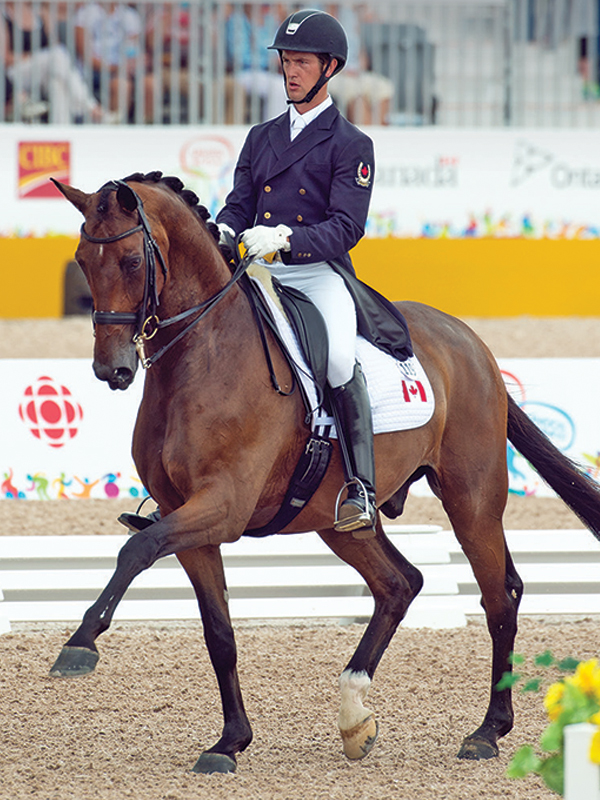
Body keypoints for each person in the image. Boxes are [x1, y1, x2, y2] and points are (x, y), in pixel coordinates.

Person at [216, 9, 390, 533]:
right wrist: (224, 230)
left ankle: (360, 487)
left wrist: (287, 239)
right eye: (287, 62)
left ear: (329, 68)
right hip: (258, 271)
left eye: (302, 63)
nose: (291, 72)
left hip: (316, 272)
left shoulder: (351, 144)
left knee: (337, 359)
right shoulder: (261, 136)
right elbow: (238, 205)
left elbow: (346, 227)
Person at [1, 2, 108, 123]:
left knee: (57, 83)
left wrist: (44, 59)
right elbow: (5, 58)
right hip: (17, 73)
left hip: (46, 70)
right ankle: (90, 106)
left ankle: (61, 129)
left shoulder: (42, 14)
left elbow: (55, 46)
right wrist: (36, 57)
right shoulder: (4, 16)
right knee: (55, 57)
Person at [74, 2, 154, 123]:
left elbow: (135, 47)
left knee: (150, 84)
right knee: (121, 86)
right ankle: (115, 127)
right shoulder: (85, 14)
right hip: (97, 71)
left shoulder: (130, 15)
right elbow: (86, 56)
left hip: (126, 69)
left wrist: (136, 61)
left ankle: (147, 128)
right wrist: (116, 68)